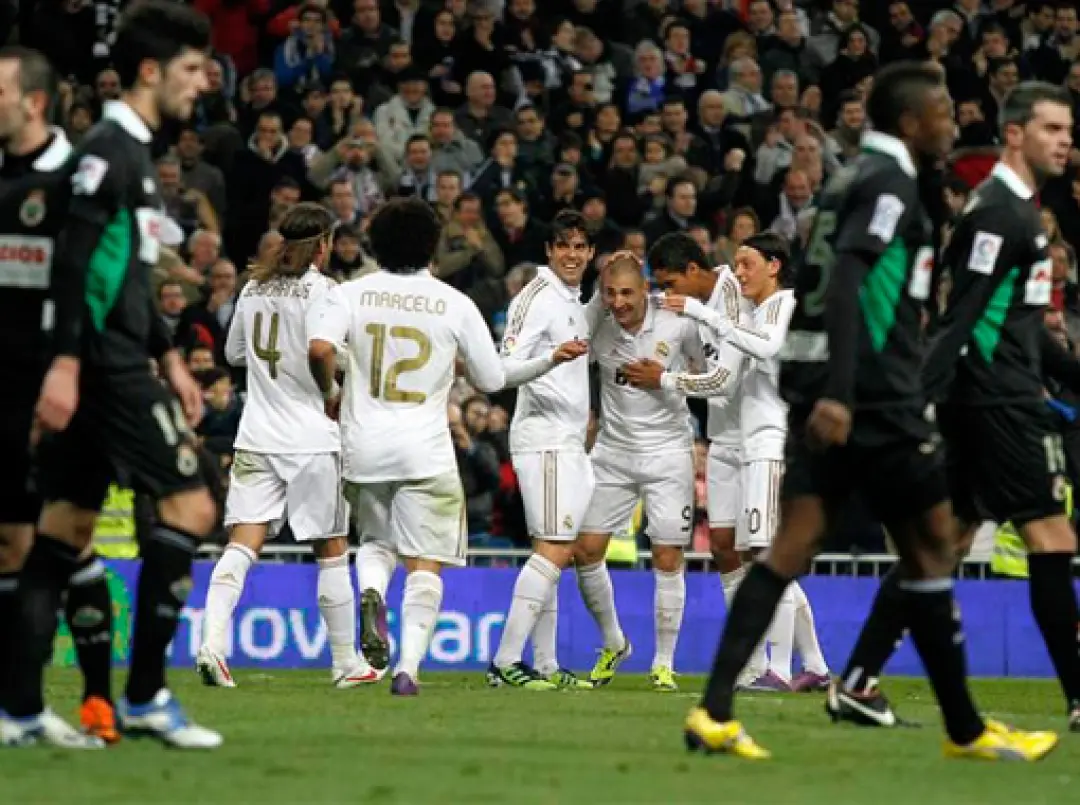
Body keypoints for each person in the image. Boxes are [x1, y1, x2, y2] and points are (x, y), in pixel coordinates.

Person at [682, 61, 1057, 761]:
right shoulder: (889, 184)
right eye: (942, 112)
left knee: (794, 548)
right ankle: (966, 730)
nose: (952, 123)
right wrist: (843, 391)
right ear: (911, 121)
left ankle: (714, 711)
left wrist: (824, 386)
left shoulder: (849, 178)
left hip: (834, 390)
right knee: (933, 545)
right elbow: (851, 278)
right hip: (875, 397)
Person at [0, 1, 222, 750]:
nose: (203, 81)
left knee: (60, 533)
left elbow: (117, 272)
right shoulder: (110, 151)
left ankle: (18, 708)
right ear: (150, 71)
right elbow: (71, 262)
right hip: (105, 366)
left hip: (113, 358)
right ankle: (145, 693)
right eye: (191, 68)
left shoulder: (129, 153)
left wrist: (170, 356)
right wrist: (66, 364)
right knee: (193, 505)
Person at [830, 82, 1080, 733]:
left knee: (939, 546)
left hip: (990, 398)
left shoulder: (1018, 212)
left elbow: (1024, 330)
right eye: (1051, 129)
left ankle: (856, 682)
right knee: (1052, 536)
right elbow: (957, 321)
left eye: (1068, 130)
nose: (1065, 142)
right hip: (998, 404)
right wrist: (914, 405)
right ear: (1015, 134)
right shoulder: (998, 215)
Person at [307, 197, 506, 696]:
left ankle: (373, 590)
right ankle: (408, 669)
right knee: (426, 561)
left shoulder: (350, 293)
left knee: (377, 543)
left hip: (363, 446)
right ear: (432, 246)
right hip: (426, 449)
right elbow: (491, 379)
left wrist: (330, 390)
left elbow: (320, 348)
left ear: (376, 244)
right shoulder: (455, 303)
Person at [196, 202, 376, 691]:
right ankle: (346, 662)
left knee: (241, 544)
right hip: (312, 438)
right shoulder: (326, 291)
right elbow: (324, 351)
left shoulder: (253, 289)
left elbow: (234, 353)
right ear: (322, 245)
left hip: (257, 434)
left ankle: (212, 644)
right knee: (331, 548)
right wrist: (332, 386)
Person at [0, 47, 119, 745]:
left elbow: (105, 284)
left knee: (67, 541)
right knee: (13, 545)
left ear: (35, 102)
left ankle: (99, 700)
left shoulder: (77, 180)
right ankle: (20, 707)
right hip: (7, 392)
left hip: (63, 386)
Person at [653, 231, 831, 693]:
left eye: (747, 263)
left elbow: (765, 348)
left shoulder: (785, 304)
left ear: (775, 265)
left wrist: (700, 316)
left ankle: (780, 670)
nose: (738, 272)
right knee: (754, 554)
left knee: (769, 556)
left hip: (770, 441)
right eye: (735, 264)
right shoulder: (755, 309)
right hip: (747, 440)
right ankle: (813, 664)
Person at [570, 252, 708, 692]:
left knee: (667, 556)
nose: (619, 302)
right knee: (585, 550)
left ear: (646, 289)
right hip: (613, 452)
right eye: (610, 293)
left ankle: (664, 663)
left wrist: (668, 378)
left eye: (627, 293)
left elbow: (710, 374)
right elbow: (571, 341)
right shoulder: (599, 323)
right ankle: (614, 642)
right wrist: (596, 298)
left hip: (668, 454)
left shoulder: (678, 321)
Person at [636, 232, 758, 687]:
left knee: (762, 554)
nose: (668, 294)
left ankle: (807, 663)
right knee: (725, 549)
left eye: (671, 283)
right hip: (723, 437)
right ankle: (753, 663)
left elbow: (725, 381)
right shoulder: (694, 310)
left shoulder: (736, 295)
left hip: (757, 440)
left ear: (693, 270)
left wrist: (666, 380)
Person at [486, 209, 595, 691]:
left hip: (566, 440)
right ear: (549, 250)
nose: (572, 254)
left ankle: (546, 665)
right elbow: (501, 370)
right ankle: (505, 661)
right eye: (563, 245)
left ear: (590, 252)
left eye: (580, 246)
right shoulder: (535, 296)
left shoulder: (572, 300)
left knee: (553, 552)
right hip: (543, 437)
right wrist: (551, 358)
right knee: (554, 548)